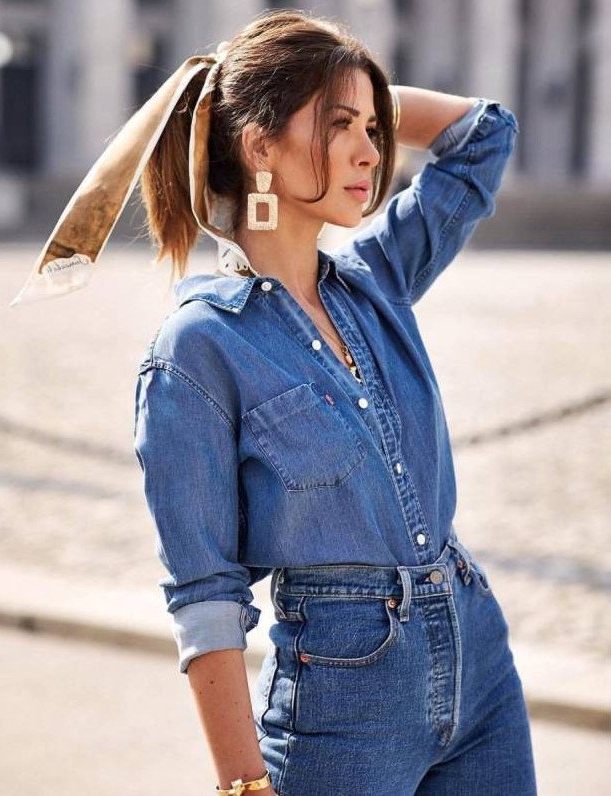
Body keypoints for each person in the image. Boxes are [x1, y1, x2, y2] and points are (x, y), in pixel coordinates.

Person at [133, 9, 537, 795]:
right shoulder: (199, 348)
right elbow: (205, 594)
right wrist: (244, 785)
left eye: (374, 127)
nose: (372, 152)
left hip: (479, 662)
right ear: (260, 147)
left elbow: (483, 136)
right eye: (339, 125)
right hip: (345, 697)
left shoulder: (376, 281)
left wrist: (352, 89)